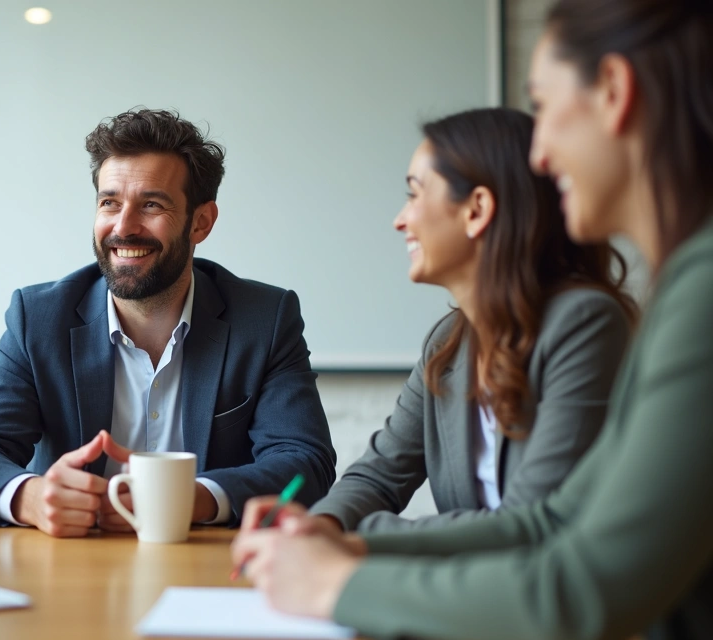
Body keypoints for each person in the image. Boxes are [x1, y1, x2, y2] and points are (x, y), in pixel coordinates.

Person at [232, 0, 713, 637]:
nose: (540, 153)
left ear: (616, 92)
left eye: (542, 105)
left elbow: (576, 577)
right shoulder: (453, 340)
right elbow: (550, 522)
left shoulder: (653, 305)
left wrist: (337, 576)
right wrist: (328, 532)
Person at [0, 108, 335, 536]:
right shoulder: (38, 318)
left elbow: (305, 462)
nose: (123, 228)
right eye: (109, 202)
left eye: (151, 204)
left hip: (206, 566)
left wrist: (194, 498)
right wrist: (30, 498)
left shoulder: (264, 319)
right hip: (71, 561)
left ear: (200, 222)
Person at [307, 107, 635, 533]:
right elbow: (379, 474)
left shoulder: (585, 324)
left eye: (415, 193)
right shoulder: (448, 342)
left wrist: (356, 539)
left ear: (476, 209)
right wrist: (320, 523)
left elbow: (529, 525)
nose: (400, 220)